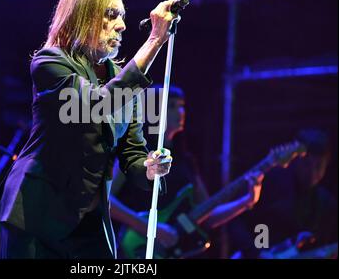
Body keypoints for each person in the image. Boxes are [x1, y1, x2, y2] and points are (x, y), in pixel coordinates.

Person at [0, 0, 178, 259]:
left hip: (89, 220)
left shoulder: (125, 80)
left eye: (124, 17)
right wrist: (154, 40)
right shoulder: (49, 63)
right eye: (112, 15)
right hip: (37, 213)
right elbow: (97, 106)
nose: (122, 26)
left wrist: (150, 167)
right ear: (84, 16)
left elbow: (132, 152)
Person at [110, 85, 265, 256]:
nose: (181, 112)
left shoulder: (186, 161)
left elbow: (207, 215)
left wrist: (246, 201)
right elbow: (104, 198)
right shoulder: (136, 151)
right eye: (172, 106)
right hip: (132, 247)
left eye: (182, 105)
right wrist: (148, 227)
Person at [229, 128, 338, 258]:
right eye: (306, 164)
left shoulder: (327, 204)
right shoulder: (269, 182)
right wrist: (257, 252)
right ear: (294, 159)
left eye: (318, 166)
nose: (312, 172)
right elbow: (238, 221)